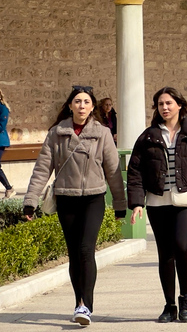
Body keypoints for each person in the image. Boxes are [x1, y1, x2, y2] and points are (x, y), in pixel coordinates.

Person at [22, 86, 126, 327]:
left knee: (86, 249)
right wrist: (30, 201)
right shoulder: (56, 133)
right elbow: (41, 169)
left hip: (93, 199)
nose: (81, 105)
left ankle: (85, 306)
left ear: (92, 106)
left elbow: (112, 171)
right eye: (77, 101)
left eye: (86, 102)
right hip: (66, 199)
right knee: (74, 254)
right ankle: (78, 300)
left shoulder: (102, 133)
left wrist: (120, 204)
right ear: (70, 105)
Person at [127, 87, 187, 323]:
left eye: (169, 103)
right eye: (160, 104)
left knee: (182, 246)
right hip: (158, 202)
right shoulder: (148, 136)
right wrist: (137, 202)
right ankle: (169, 305)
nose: (165, 107)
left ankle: (185, 297)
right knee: (165, 254)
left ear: (179, 105)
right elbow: (135, 171)